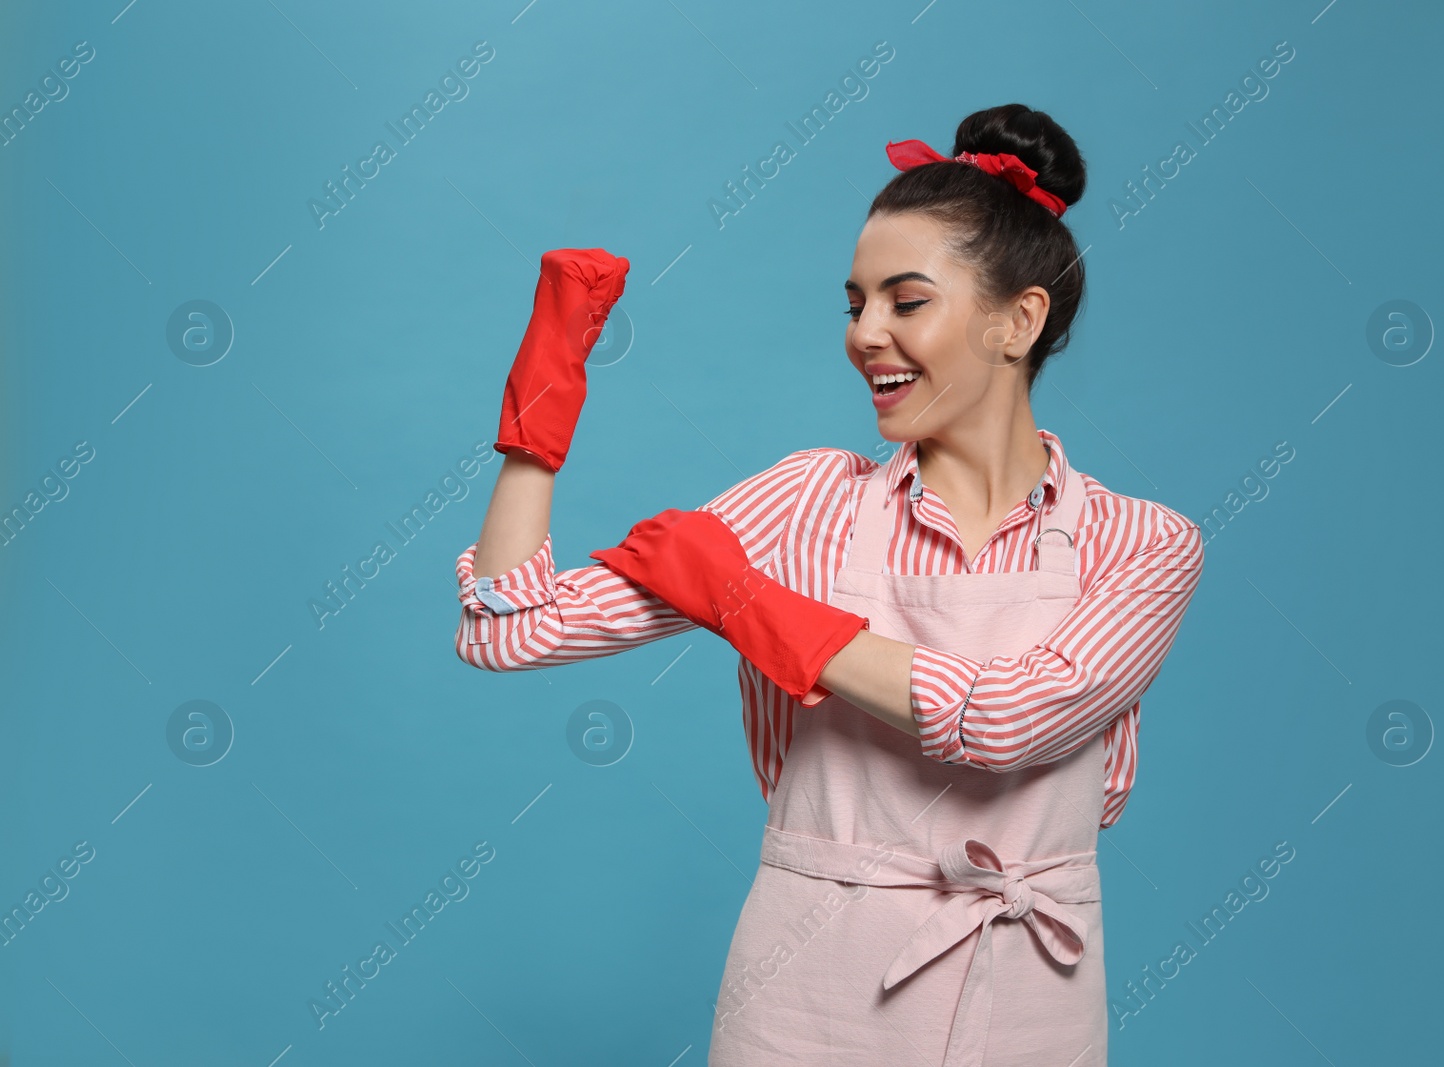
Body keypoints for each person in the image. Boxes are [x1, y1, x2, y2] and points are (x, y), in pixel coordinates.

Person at [455, 103, 1205, 1067]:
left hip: (1027, 990)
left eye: (906, 301)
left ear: (1019, 320)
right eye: (855, 304)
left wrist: (753, 607)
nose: (866, 336)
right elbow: (509, 633)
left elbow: (1009, 721)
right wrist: (542, 402)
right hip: (807, 993)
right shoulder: (808, 504)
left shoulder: (1139, 541)